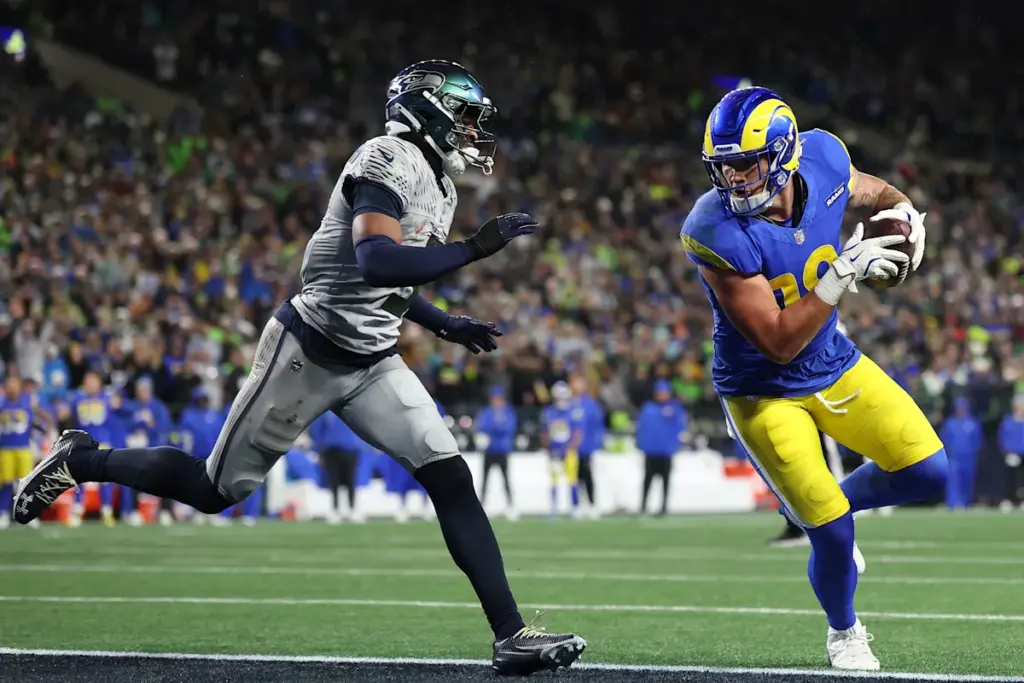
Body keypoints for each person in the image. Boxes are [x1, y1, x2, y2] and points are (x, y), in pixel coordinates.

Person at [13, 59, 585, 676]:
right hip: (307, 352)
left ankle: (510, 636)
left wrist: (445, 323)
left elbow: (388, 284)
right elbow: (376, 262)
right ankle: (81, 460)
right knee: (213, 491)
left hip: (373, 359)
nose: (473, 131)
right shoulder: (384, 159)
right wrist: (474, 249)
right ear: (429, 110)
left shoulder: (440, 186)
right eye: (466, 116)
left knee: (450, 478)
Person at [681, 86, 947, 670]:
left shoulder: (823, 157)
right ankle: (845, 631)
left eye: (746, 164)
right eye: (723, 167)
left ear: (783, 154)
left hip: (832, 362)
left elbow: (875, 191)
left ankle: (816, 506)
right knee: (830, 532)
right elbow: (778, 343)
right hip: (763, 391)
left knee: (929, 471)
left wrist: (904, 213)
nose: (734, 179)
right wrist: (843, 271)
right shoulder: (713, 228)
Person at [635, 380, 687, 516]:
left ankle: (663, 506)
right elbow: (640, 427)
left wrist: (677, 443)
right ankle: (643, 506)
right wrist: (641, 443)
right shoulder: (648, 408)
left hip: (666, 451)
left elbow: (681, 427)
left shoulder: (675, 409)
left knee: (666, 480)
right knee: (647, 479)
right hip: (651, 451)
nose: (662, 395)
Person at [476, 386, 518, 520]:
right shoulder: (487, 412)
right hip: (489, 450)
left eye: (498, 398)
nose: (496, 401)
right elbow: (482, 427)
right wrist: (496, 427)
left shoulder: (508, 412)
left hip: (502, 450)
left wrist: (494, 428)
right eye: (494, 398)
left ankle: (511, 506)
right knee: (485, 480)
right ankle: (481, 506)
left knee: (505, 479)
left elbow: (510, 428)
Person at [569, 373, 604, 518]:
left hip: (586, 447)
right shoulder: (570, 404)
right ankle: (576, 505)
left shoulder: (590, 404)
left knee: (587, 475)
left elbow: (597, 425)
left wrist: (596, 442)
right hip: (571, 448)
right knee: (574, 477)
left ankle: (592, 503)